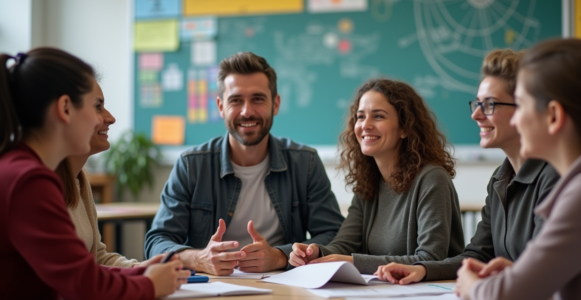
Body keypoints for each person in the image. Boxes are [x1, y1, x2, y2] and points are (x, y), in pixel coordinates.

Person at [455, 38, 581, 300]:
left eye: (522, 104)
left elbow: (504, 296)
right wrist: (519, 273)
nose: (517, 119)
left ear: (553, 116)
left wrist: (471, 284)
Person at [0, 48, 190, 299]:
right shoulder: (28, 180)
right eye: (95, 106)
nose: (103, 119)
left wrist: (140, 274)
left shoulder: (21, 169)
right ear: (65, 108)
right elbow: (82, 284)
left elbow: (82, 270)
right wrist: (150, 285)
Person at [145, 52, 345, 275]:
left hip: (285, 285)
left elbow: (334, 235)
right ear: (221, 107)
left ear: (275, 104)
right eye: (236, 100)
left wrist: (281, 256)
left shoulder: (305, 163)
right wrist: (199, 258)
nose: (247, 111)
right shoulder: (191, 166)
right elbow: (156, 243)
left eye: (258, 99)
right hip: (209, 288)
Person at [374, 50, 559, 283]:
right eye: (477, 104)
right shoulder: (500, 179)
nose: (476, 115)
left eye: (490, 104)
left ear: (525, 107)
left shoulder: (555, 177)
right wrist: (423, 270)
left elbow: (547, 271)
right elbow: (478, 254)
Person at [288, 78, 465, 274]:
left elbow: (430, 258)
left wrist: (353, 262)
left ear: (405, 127)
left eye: (378, 116)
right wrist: (316, 252)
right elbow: (344, 244)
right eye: (361, 117)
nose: (366, 125)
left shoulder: (432, 179)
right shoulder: (369, 183)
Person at [55, 84, 154, 267]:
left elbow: (96, 258)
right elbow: (73, 275)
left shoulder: (79, 179)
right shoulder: (38, 186)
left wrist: (142, 269)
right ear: (65, 111)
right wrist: (144, 280)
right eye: (97, 107)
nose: (111, 118)